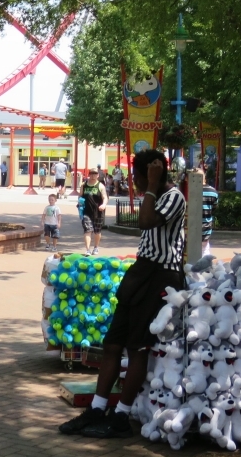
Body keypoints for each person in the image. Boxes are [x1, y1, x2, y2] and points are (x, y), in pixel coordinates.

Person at [59, 149, 186, 439]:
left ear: (151, 175)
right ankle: (97, 408)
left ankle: (120, 416)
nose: (135, 183)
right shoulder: (152, 195)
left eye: (138, 177)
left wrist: (152, 186)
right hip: (140, 272)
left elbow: (146, 221)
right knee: (113, 343)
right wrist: (149, 188)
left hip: (161, 277)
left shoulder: (173, 197)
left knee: (137, 347)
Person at [81, 169, 109, 255]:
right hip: (86, 212)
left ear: (98, 175)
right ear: (89, 174)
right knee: (88, 230)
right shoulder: (84, 185)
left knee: (97, 231)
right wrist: (80, 203)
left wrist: (104, 204)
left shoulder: (100, 186)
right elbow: (80, 196)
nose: (93, 175)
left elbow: (105, 197)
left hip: (98, 212)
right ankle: (88, 249)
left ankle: (96, 247)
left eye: (95, 174)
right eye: (91, 173)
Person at [202, 181, 219, 256]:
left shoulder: (188, 191)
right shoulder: (213, 191)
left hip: (190, 226)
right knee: (204, 250)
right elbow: (214, 207)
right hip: (206, 226)